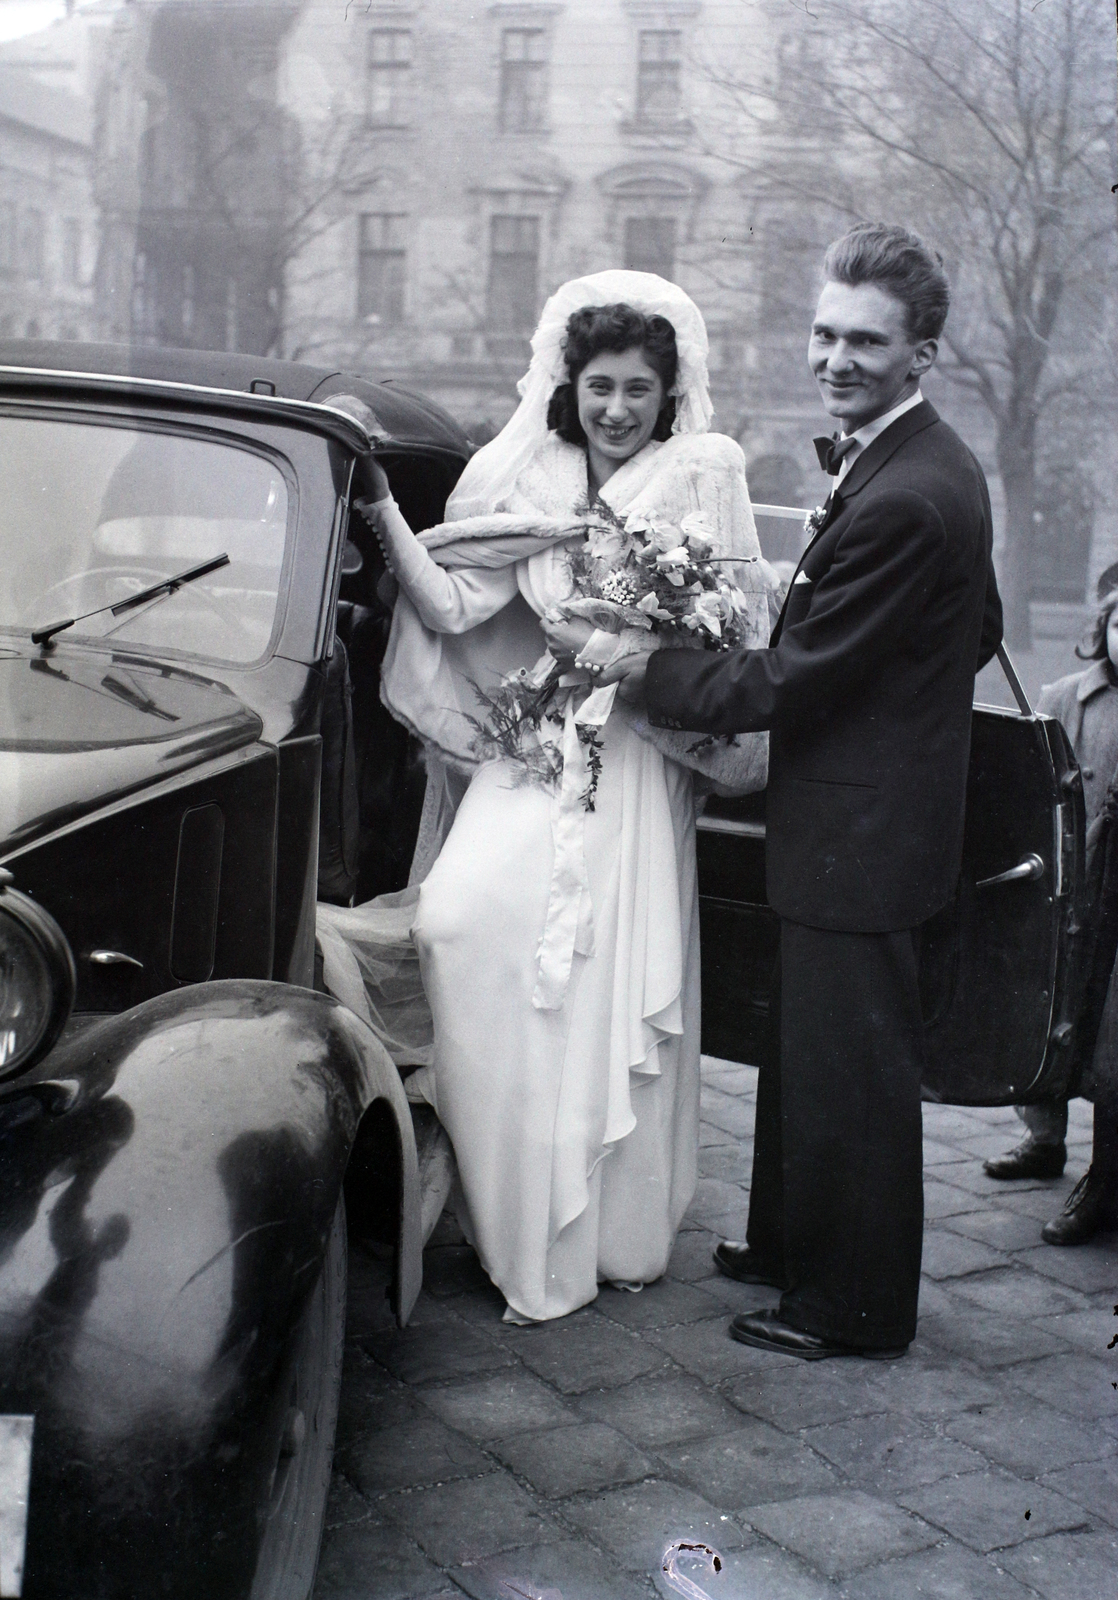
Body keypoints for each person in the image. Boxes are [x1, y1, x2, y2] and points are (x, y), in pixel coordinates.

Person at [604, 224, 1003, 1359]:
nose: (834, 358)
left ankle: (852, 1306)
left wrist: (648, 672)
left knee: (850, 1072)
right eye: (824, 333)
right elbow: (974, 628)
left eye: (865, 342)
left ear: (919, 354)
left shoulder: (903, 494)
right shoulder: (912, 460)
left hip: (860, 828)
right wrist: (895, 708)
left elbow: (790, 677)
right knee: (807, 1053)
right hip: (865, 807)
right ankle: (788, 1245)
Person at [360, 271, 769, 1323]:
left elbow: (736, 628)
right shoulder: (527, 478)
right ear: (568, 385)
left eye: (638, 387)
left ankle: (603, 1228)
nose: (618, 408)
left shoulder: (701, 473)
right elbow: (455, 600)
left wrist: (641, 646)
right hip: (535, 744)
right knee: (453, 922)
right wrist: (378, 514)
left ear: (669, 391)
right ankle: (510, 1200)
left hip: (632, 759)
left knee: (597, 977)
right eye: (600, 386)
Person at [983, 584, 1118, 1245]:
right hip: (1071, 890)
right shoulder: (1066, 697)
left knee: (1108, 1036)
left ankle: (1106, 1175)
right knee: (1046, 1012)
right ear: (1103, 628)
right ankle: (1042, 1138)